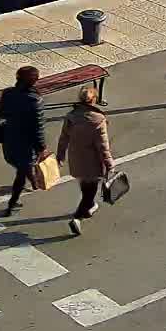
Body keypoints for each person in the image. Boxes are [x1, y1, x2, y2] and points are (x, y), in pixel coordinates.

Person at [56, 86, 114, 236]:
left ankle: (88, 208)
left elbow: (63, 138)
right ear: (94, 100)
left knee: (85, 187)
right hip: (93, 160)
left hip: (76, 157)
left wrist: (60, 156)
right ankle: (77, 217)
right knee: (90, 192)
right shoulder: (98, 119)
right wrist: (109, 164)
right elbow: (103, 145)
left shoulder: (71, 117)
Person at [0, 65, 45, 216]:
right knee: (21, 175)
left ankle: (35, 183)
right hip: (26, 143)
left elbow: (0, 114)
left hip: (10, 137)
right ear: (34, 82)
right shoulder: (34, 100)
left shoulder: (8, 93)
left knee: (22, 166)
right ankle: (12, 204)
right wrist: (41, 147)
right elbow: (37, 128)